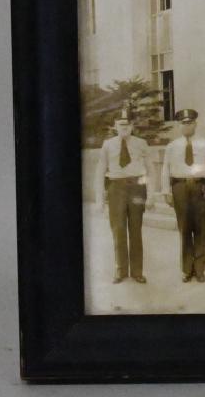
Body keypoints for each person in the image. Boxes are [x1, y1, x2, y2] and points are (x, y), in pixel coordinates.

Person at [93, 107, 152, 284]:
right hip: (116, 189)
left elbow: (151, 169)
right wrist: (99, 199)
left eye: (127, 124)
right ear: (115, 126)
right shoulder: (107, 145)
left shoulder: (141, 143)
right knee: (118, 230)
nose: (124, 127)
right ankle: (120, 270)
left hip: (136, 188)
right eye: (121, 124)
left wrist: (151, 195)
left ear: (132, 125)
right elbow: (100, 171)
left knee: (136, 230)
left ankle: (137, 271)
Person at [161, 109, 205, 283]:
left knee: (200, 229)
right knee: (184, 229)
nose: (187, 126)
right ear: (180, 125)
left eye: (190, 123)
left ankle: (200, 269)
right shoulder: (172, 146)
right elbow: (165, 169)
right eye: (183, 123)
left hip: (199, 187)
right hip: (179, 187)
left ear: (195, 124)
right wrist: (166, 191)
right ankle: (187, 269)